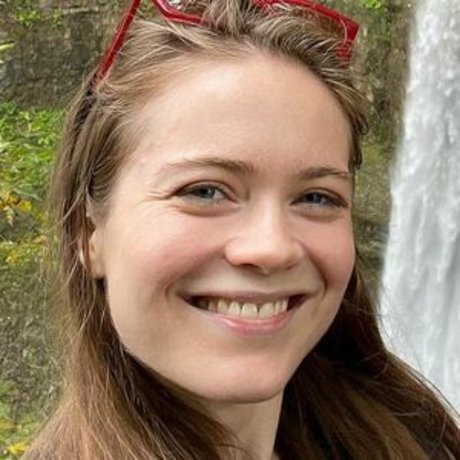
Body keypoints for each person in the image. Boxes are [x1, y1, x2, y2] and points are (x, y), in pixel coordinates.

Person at [25, 0, 460, 458]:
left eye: (316, 197)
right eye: (204, 191)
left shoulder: (414, 441)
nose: (271, 248)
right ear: (88, 234)